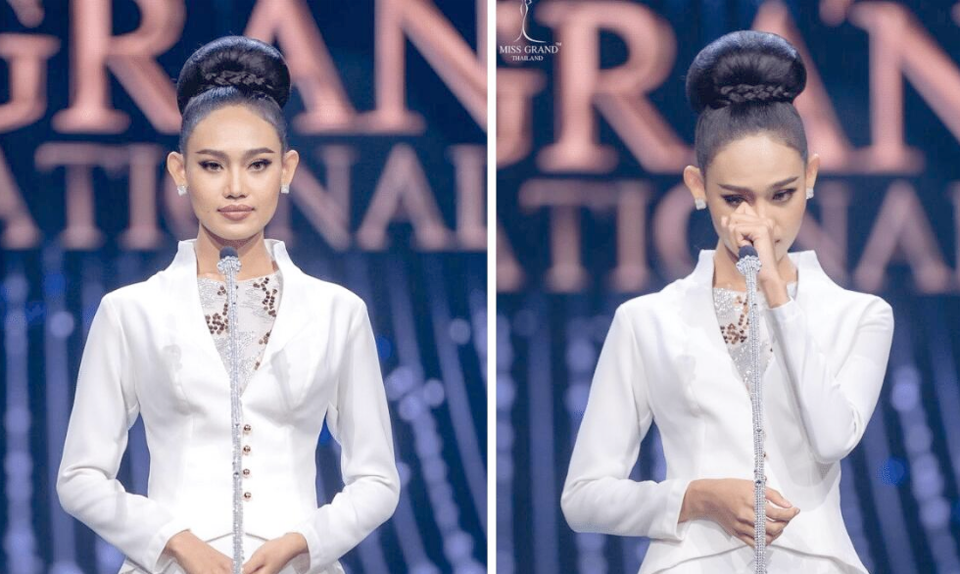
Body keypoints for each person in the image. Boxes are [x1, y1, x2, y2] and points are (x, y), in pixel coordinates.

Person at [56, 36, 400, 574]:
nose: (236, 188)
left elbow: (377, 480)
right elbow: (80, 477)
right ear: (179, 171)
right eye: (212, 166)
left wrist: (303, 541)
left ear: (286, 170)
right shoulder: (131, 312)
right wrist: (175, 542)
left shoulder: (338, 312)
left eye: (257, 164)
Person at [560, 30, 894, 574]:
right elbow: (583, 497)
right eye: (735, 198)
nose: (759, 221)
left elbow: (833, 438)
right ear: (698, 187)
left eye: (782, 194)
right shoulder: (648, 320)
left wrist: (776, 294)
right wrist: (695, 497)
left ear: (810, 176)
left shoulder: (860, 316)